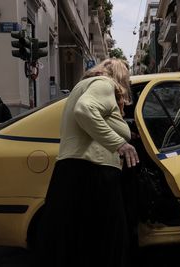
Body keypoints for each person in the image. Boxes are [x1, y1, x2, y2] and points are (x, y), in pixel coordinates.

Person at [35, 58, 139, 267]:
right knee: (105, 244)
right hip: (94, 173)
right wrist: (120, 144)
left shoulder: (80, 87)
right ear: (119, 75)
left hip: (70, 173)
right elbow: (84, 110)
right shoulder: (105, 84)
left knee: (74, 244)